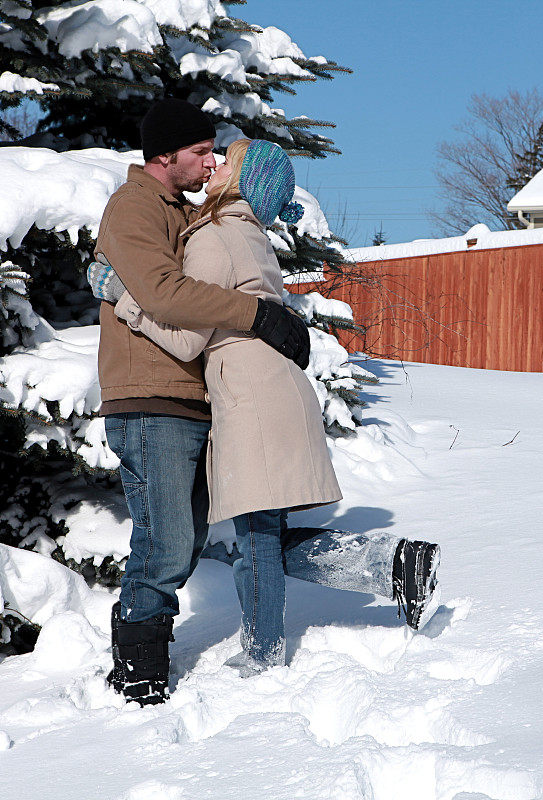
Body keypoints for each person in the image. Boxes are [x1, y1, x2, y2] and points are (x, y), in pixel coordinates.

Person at [91, 125, 440, 694]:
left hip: (247, 395)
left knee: (251, 537)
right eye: (207, 156)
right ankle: (389, 566)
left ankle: (259, 657)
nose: (212, 168)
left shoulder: (212, 237)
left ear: (241, 184)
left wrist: (118, 294)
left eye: (222, 161)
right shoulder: (247, 233)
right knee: (250, 532)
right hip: (269, 389)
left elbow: (184, 340)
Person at [93, 98, 311, 707]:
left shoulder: (181, 213)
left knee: (184, 541)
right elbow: (165, 294)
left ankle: (139, 659)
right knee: (164, 544)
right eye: (199, 151)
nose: (210, 160)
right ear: (164, 156)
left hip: (187, 397)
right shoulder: (134, 206)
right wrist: (256, 313)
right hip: (149, 398)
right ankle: (138, 675)